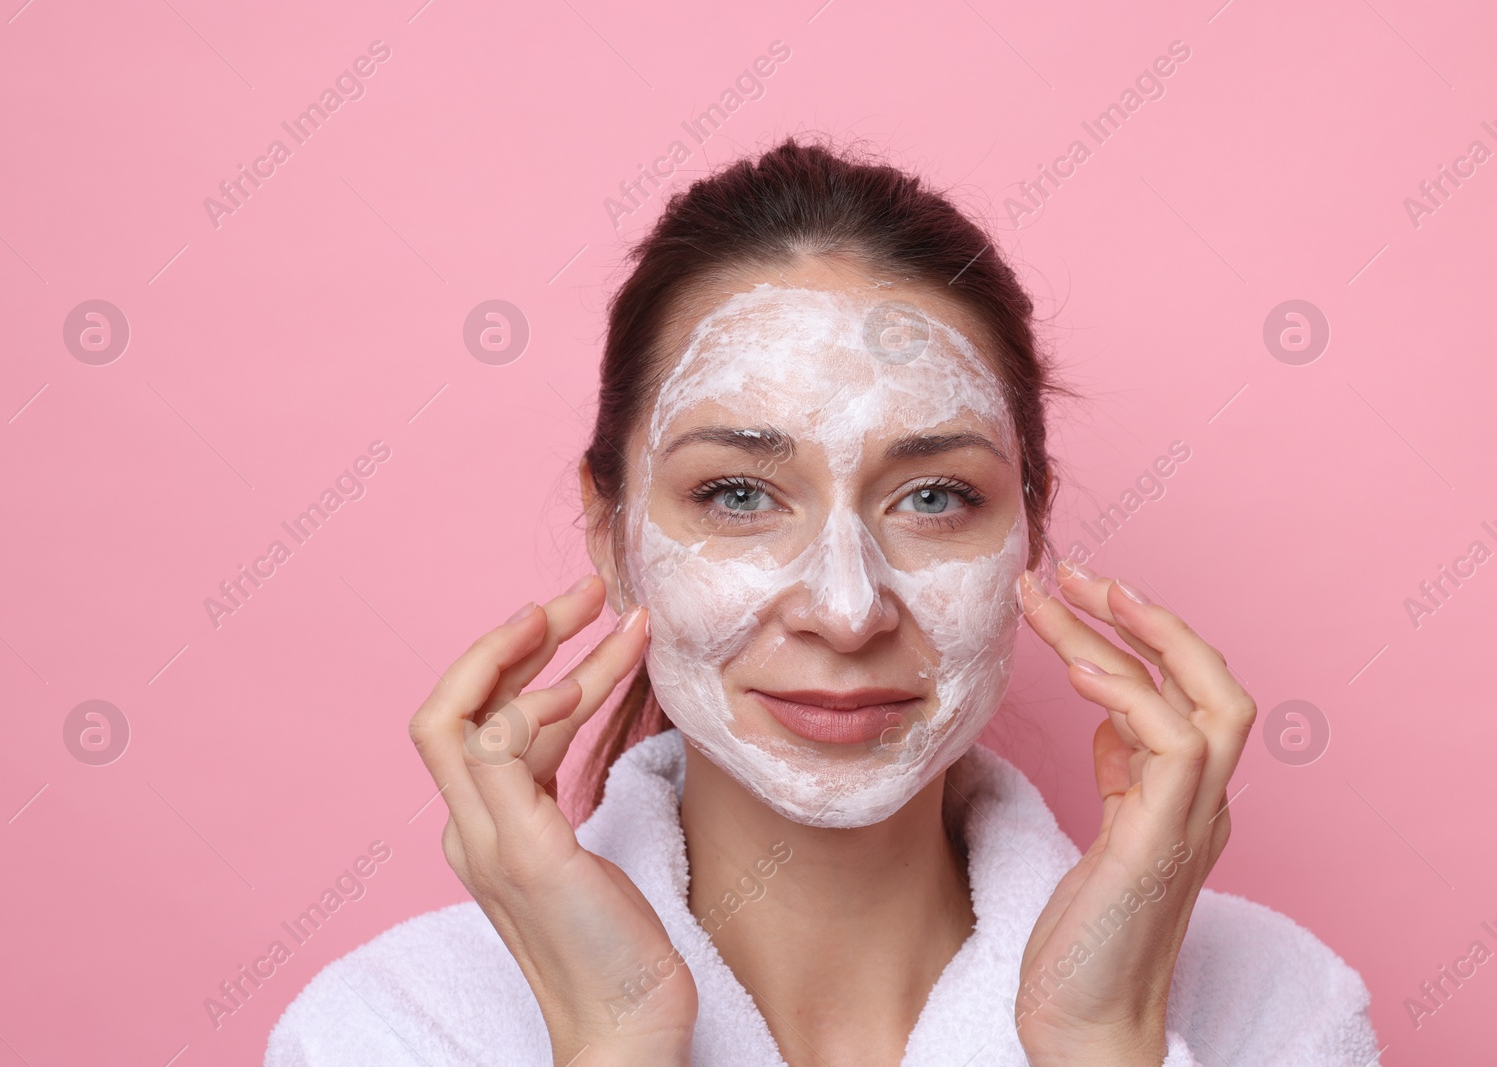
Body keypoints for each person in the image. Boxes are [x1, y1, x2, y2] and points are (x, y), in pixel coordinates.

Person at [265, 136, 1381, 1066]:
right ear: (612, 534)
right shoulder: (391, 1029)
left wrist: (1100, 1038)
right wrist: (615, 1036)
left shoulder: (1271, 1012)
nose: (848, 611)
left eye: (935, 494)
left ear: (1031, 528)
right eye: (739, 492)